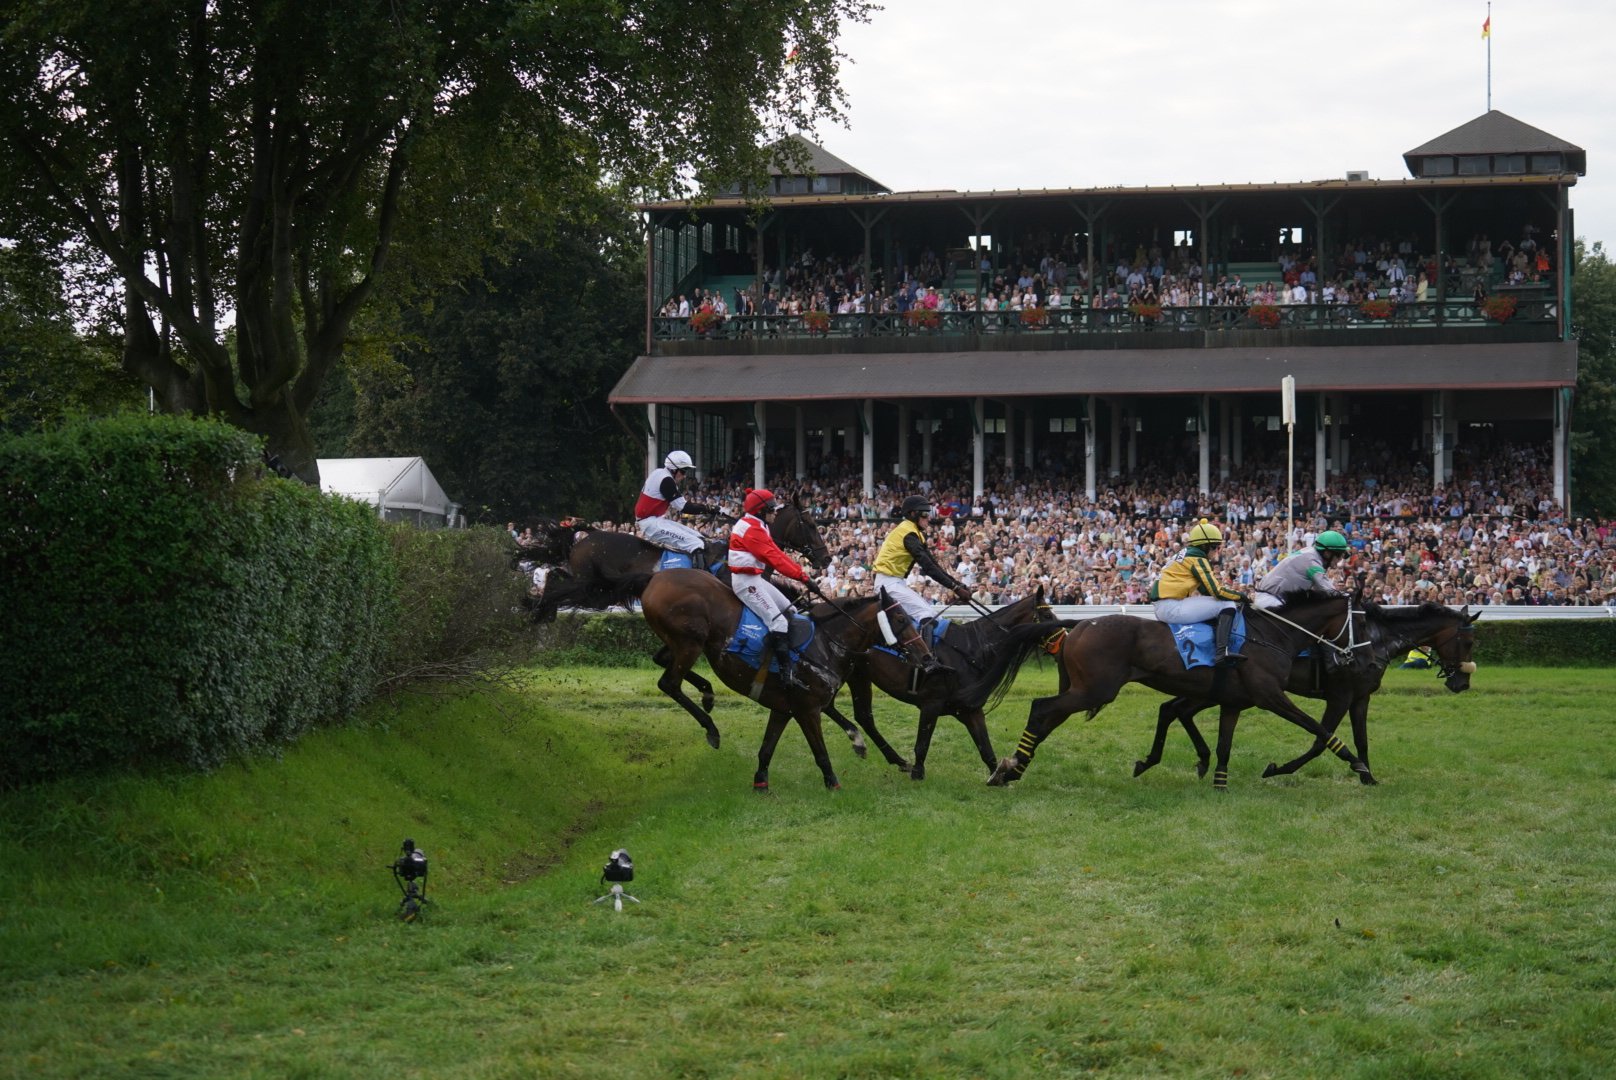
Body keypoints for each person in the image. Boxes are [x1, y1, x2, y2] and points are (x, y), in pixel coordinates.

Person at [728, 488, 812, 688]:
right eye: (772, 510)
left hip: (754, 579)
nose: (775, 513)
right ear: (760, 511)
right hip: (746, 583)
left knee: (791, 609)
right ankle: (784, 676)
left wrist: (803, 576)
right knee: (779, 623)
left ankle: (788, 658)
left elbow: (777, 554)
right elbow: (775, 558)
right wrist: (804, 578)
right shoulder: (752, 529)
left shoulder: (759, 524)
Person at [1149, 519, 1248, 666]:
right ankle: (1222, 652)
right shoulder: (1197, 558)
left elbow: (1205, 589)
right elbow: (1216, 591)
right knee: (1227, 604)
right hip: (1171, 606)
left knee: (1219, 602)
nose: (1217, 551)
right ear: (1205, 546)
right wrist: (1241, 596)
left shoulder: (1187, 554)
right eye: (1215, 547)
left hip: (1165, 605)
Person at [871, 495, 972, 626]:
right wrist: (955, 588)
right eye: (925, 514)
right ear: (913, 514)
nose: (928, 518)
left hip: (894, 582)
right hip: (888, 584)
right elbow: (929, 567)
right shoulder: (908, 534)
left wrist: (957, 585)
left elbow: (933, 564)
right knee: (928, 616)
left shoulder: (914, 533)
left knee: (933, 617)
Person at [634, 450, 719, 560]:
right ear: (673, 470)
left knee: (700, 537)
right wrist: (708, 508)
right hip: (651, 524)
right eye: (683, 472)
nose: (684, 476)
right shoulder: (667, 480)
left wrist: (708, 508)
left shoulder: (659, 472)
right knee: (697, 544)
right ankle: (695, 571)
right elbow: (684, 507)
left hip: (655, 521)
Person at [1253, 530, 1350, 609]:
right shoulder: (1312, 560)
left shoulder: (1310, 553)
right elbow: (1328, 589)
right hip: (1271, 599)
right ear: (1327, 553)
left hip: (1274, 597)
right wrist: (1348, 598)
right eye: (1339, 556)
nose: (1339, 561)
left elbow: (1319, 591)